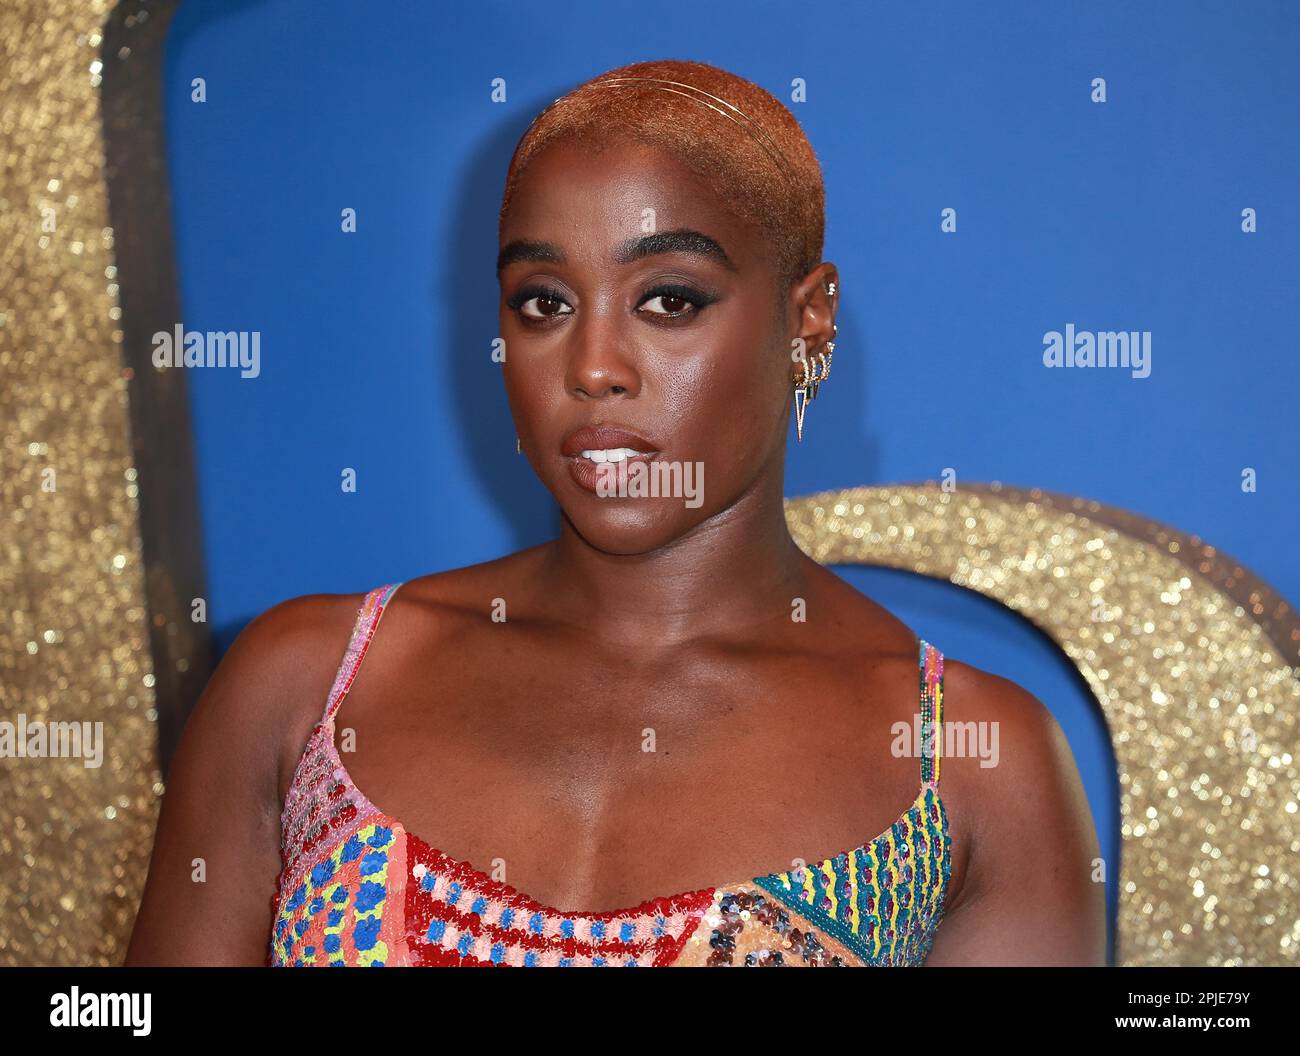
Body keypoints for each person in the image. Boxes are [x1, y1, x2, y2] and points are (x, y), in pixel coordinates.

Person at [125, 58, 1106, 967]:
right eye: (543, 302)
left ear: (808, 318)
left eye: (669, 300)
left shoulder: (973, 765)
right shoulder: (304, 690)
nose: (592, 367)